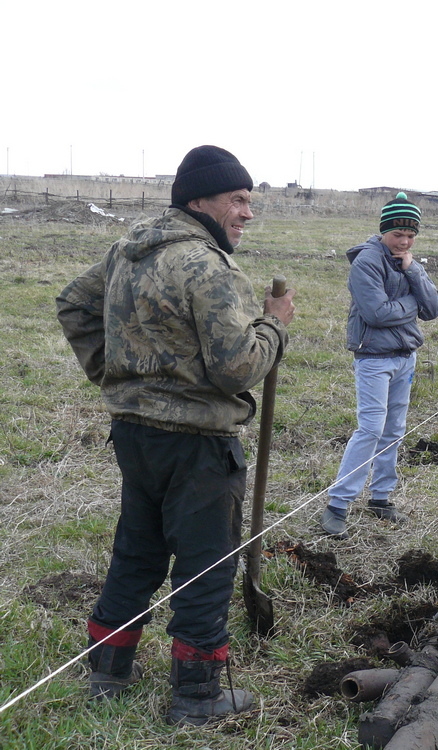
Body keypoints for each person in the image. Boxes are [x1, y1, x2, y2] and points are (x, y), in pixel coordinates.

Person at [56, 145, 296, 725]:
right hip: (198, 445)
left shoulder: (129, 249)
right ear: (199, 201)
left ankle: (107, 671)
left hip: (135, 435)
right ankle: (196, 694)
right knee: (207, 565)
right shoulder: (208, 266)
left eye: (250, 200)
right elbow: (237, 368)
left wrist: (119, 378)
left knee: (137, 551)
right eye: (237, 199)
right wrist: (274, 326)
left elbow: (73, 305)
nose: (247, 212)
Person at [320, 192, 438, 538]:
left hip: (405, 357)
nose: (404, 242)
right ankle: (337, 504)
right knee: (371, 428)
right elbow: (376, 313)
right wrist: (411, 303)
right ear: (383, 230)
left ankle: (381, 498)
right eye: (397, 235)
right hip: (373, 358)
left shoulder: (407, 261)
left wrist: (414, 271)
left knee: (394, 430)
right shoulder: (366, 262)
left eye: (410, 236)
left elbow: (433, 309)